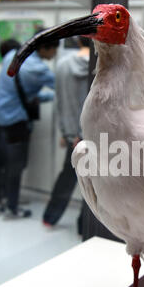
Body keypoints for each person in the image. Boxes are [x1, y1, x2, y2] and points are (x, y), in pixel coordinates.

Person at [0, 29, 59, 219]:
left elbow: (18, 91)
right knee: (15, 167)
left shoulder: (13, 54)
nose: (55, 55)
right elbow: (61, 87)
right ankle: (12, 208)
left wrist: (40, 97)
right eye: (54, 49)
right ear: (45, 48)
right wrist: (52, 96)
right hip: (15, 123)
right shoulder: (39, 70)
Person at [43, 36, 90, 232]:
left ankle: (50, 217)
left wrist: (67, 132)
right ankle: (84, 226)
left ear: (79, 41)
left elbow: (60, 102)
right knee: (93, 184)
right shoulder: (100, 67)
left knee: (67, 176)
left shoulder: (62, 65)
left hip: (72, 135)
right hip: (93, 135)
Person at [0, 39, 21, 215]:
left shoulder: (6, 61)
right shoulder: (16, 59)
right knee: (13, 165)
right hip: (11, 122)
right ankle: (11, 205)